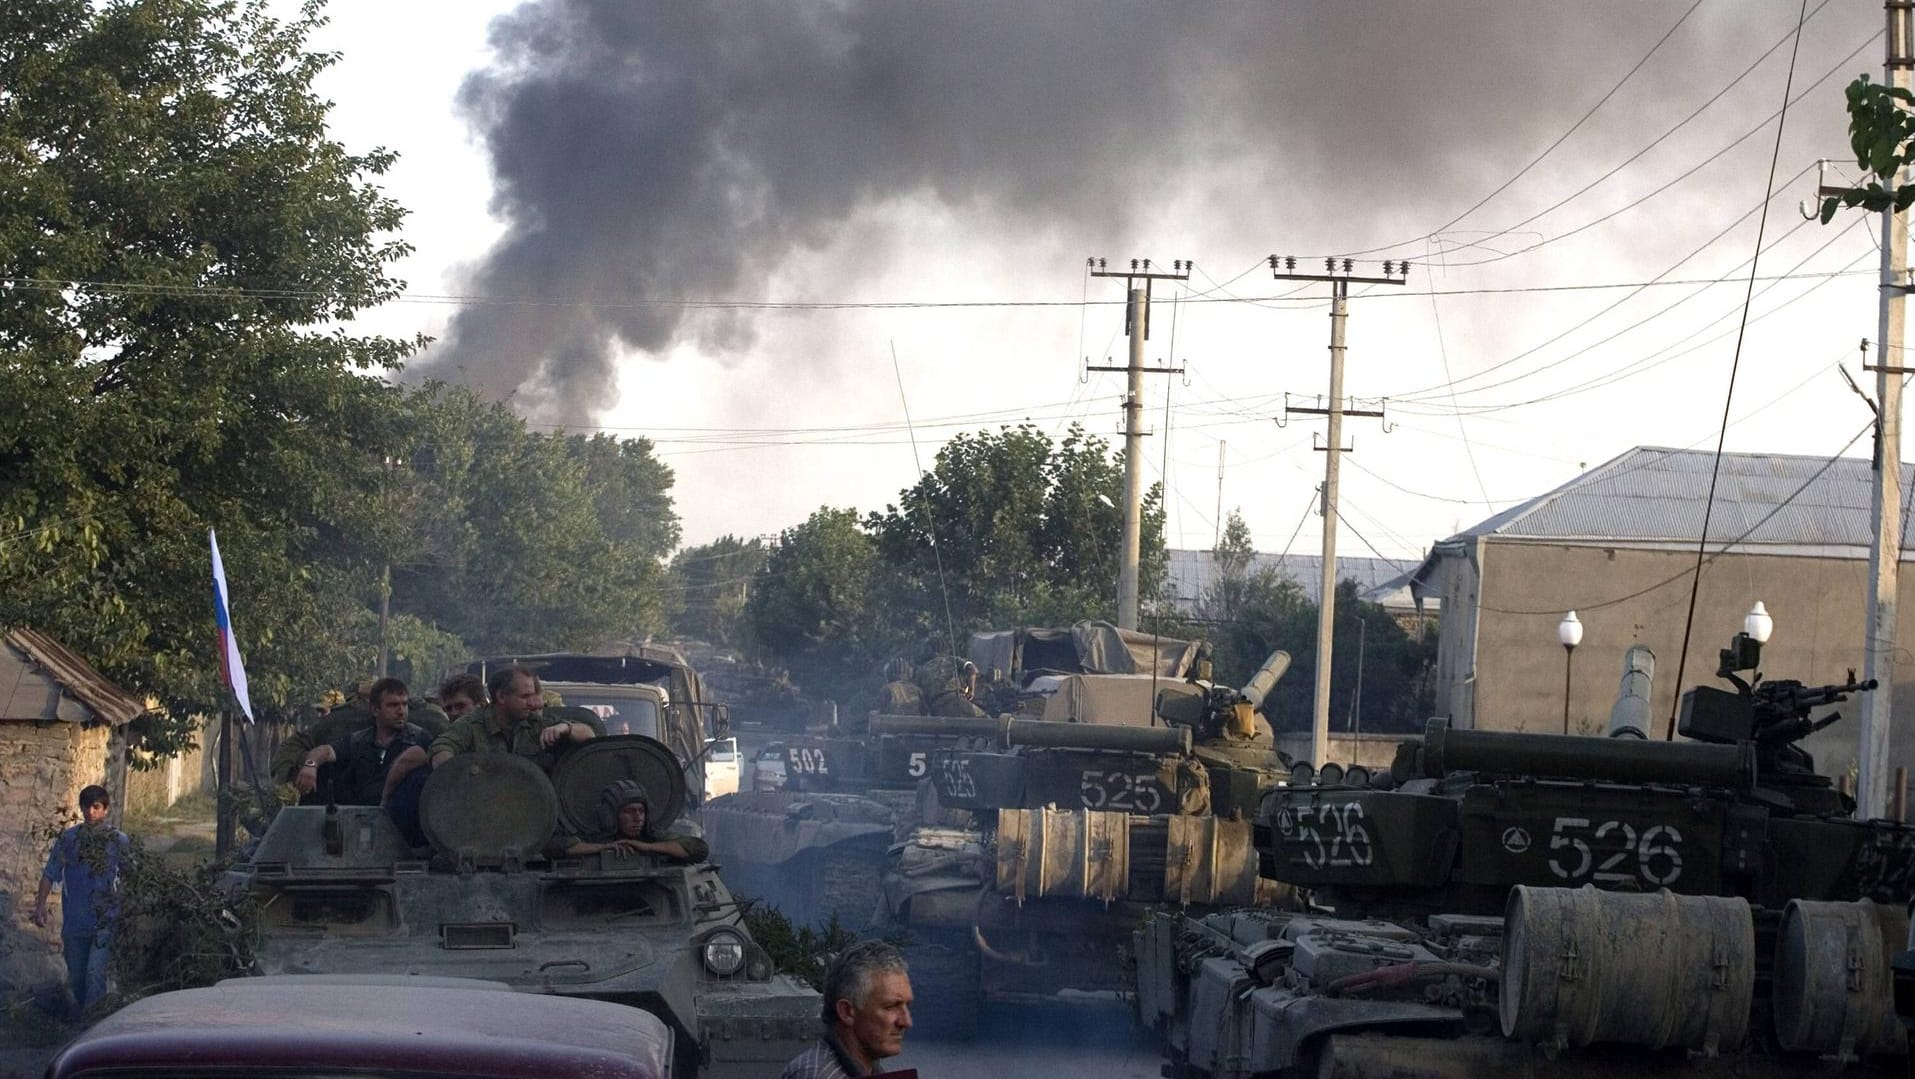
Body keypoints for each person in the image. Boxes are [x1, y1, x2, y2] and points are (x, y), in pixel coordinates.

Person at [31, 785, 131, 1021]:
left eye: (96, 807)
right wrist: (40, 905)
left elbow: (131, 876)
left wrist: (126, 909)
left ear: (105, 809)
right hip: (75, 920)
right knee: (76, 976)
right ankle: (88, 1017)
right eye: (86, 807)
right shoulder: (70, 839)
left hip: (105, 919)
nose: (90, 812)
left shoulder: (117, 841)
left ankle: (92, 1028)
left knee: (95, 973)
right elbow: (50, 872)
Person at [779, 940, 913, 1079]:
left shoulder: (866, 1069)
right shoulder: (816, 1075)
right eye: (890, 1007)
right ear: (847, 1012)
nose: (906, 1022)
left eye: (907, 1006)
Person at [421, 664, 595, 769]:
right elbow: (442, 748)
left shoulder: (536, 723)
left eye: (532, 695)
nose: (531, 702)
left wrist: (565, 728)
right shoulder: (472, 725)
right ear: (502, 697)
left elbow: (589, 735)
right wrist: (455, 772)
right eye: (524, 697)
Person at [292, 677, 432, 805]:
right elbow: (326, 751)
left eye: (404, 704)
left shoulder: (420, 738)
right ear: (375, 710)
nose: (401, 711)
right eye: (393, 705)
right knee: (323, 771)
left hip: (401, 817)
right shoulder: (359, 740)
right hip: (360, 816)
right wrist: (310, 765)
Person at [557, 779, 709, 861]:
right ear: (611, 816)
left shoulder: (653, 837)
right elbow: (554, 847)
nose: (637, 818)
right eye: (628, 811)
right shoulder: (594, 839)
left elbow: (699, 849)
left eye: (641, 811)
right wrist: (603, 848)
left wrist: (645, 846)